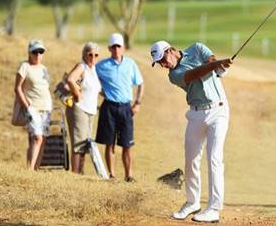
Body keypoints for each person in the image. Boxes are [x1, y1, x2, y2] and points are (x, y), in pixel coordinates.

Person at [150, 40, 232, 223]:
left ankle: (214, 208)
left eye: (163, 59)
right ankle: (193, 202)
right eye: (159, 63)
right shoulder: (174, 75)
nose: (163, 65)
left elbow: (211, 61)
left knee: (214, 159)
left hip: (218, 111)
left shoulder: (197, 48)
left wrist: (220, 66)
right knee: (191, 160)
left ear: (170, 50)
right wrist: (215, 65)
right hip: (196, 114)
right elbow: (195, 74)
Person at [95, 33, 144, 182]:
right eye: (113, 46)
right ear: (109, 48)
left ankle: (128, 175)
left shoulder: (131, 64)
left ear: (123, 48)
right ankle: (112, 175)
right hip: (109, 107)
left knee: (127, 144)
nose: (116, 49)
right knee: (109, 144)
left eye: (119, 46)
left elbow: (140, 83)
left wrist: (137, 103)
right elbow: (91, 80)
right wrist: (102, 92)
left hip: (126, 108)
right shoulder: (101, 66)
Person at [14, 39, 52, 170]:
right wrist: (27, 107)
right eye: (35, 52)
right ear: (29, 52)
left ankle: (35, 168)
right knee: (37, 138)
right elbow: (17, 88)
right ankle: (30, 170)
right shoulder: (24, 66)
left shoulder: (44, 69)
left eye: (41, 52)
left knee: (41, 140)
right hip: (32, 108)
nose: (38, 54)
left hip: (46, 108)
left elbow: (46, 88)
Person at [65, 42, 102, 174]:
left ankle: (81, 172)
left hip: (90, 110)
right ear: (85, 55)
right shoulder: (82, 67)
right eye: (90, 54)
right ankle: (75, 173)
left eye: (96, 55)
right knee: (78, 143)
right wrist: (76, 93)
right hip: (79, 108)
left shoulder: (94, 69)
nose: (93, 57)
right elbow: (70, 79)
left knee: (86, 144)